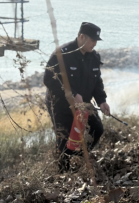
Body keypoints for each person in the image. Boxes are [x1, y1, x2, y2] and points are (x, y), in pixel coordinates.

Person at [43, 22, 110, 173]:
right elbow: (48, 79)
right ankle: (63, 173)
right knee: (63, 137)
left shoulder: (94, 57)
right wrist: (71, 93)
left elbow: (97, 82)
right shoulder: (62, 54)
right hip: (60, 104)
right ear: (81, 37)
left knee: (97, 129)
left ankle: (77, 156)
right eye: (92, 40)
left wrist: (102, 101)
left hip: (83, 104)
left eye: (96, 41)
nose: (94, 44)